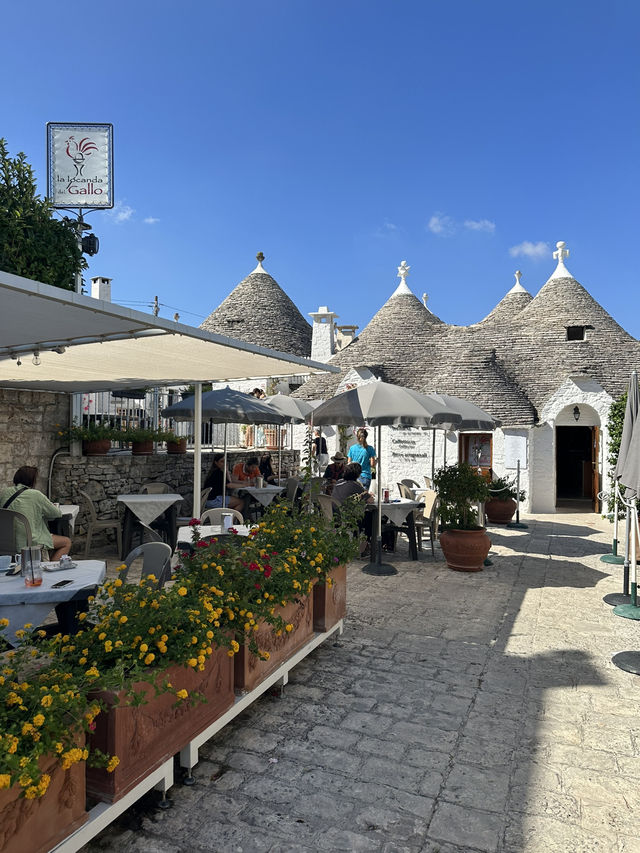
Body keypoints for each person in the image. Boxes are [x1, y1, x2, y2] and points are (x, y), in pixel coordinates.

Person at [0, 466, 71, 560]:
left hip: (6, 542)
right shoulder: (36, 495)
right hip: (29, 541)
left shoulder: (4, 492)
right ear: (33, 480)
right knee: (66, 542)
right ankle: (50, 569)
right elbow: (56, 513)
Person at [332, 463, 374, 555]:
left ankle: (358, 541)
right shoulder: (355, 485)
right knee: (371, 517)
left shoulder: (338, 482)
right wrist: (368, 495)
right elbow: (370, 500)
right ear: (358, 474)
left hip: (333, 516)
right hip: (347, 518)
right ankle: (366, 544)